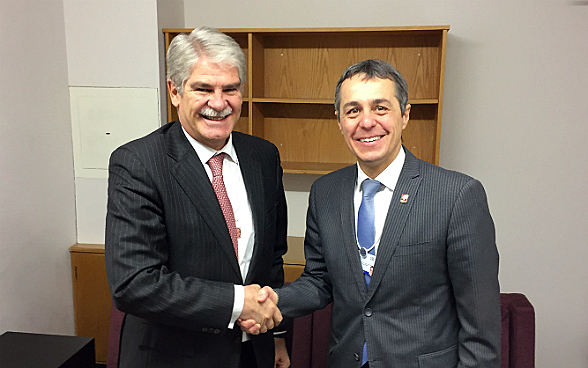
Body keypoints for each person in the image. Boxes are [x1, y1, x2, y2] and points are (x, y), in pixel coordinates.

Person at [248, 59, 501, 367]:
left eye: (380, 108)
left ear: (405, 115)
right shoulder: (325, 193)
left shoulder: (457, 195)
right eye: (353, 110)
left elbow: (481, 328)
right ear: (340, 120)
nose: (366, 122)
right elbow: (319, 280)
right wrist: (269, 301)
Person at [105, 26, 289, 368]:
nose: (218, 103)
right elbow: (134, 283)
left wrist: (277, 338)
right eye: (203, 88)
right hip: (171, 358)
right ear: (175, 91)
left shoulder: (263, 157)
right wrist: (237, 303)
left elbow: (273, 255)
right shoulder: (138, 163)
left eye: (230, 89)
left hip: (253, 353)